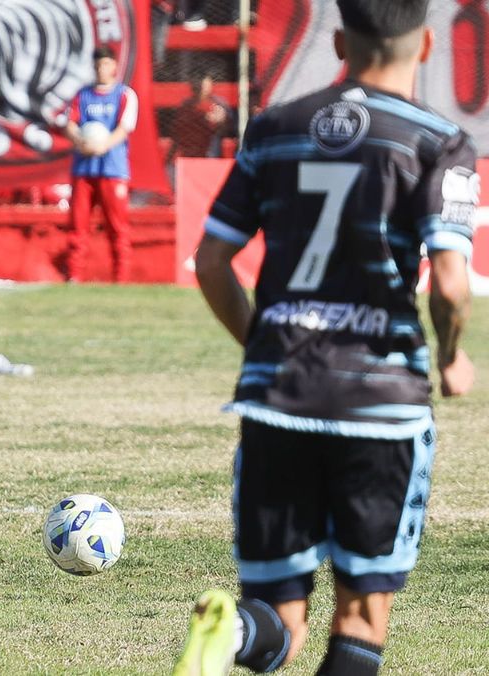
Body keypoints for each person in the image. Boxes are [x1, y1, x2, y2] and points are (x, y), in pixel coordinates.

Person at [174, 0, 476, 673]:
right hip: (382, 408)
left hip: (277, 395)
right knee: (362, 615)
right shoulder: (436, 141)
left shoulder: (276, 127)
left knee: (280, 619)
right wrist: (454, 358)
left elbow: (213, 261)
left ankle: (232, 638)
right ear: (426, 46)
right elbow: (452, 286)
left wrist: (263, 344)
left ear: (339, 41)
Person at [59, 45, 138, 283]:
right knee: (78, 226)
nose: (101, 69)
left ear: (114, 66)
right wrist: (80, 141)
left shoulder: (125, 95)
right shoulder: (82, 95)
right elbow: (69, 123)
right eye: (97, 65)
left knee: (117, 227)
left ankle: (120, 277)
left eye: (105, 64)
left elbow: (125, 127)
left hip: (112, 168)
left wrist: (104, 145)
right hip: (84, 168)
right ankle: (74, 275)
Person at [170, 75, 234, 160]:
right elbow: (179, 125)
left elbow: (228, 125)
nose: (201, 88)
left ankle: (210, 161)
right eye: (199, 84)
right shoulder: (187, 104)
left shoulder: (219, 102)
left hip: (212, 136)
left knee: (214, 138)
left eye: (204, 85)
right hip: (192, 137)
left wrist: (219, 120)